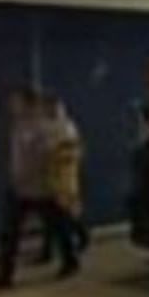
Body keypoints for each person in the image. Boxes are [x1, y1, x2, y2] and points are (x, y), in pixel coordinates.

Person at [0, 86, 78, 290]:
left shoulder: (46, 126)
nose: (13, 107)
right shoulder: (18, 126)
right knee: (10, 232)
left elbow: (55, 154)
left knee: (58, 226)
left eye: (17, 102)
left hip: (42, 188)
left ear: (29, 104)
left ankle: (70, 260)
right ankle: (5, 275)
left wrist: (58, 184)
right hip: (20, 188)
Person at [38, 93, 90, 264]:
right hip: (49, 177)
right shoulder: (44, 126)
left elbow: (73, 150)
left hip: (64, 177)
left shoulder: (66, 127)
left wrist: (56, 154)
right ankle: (49, 250)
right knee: (51, 216)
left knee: (64, 213)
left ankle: (80, 237)